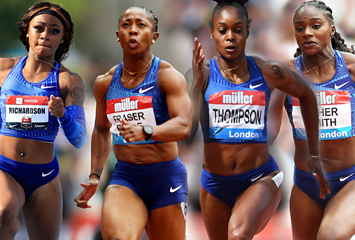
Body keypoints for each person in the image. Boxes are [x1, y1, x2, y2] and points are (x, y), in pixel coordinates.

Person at [186, 0, 328, 239]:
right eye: (222, 30)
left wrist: (312, 152)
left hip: (259, 178)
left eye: (238, 30)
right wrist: (197, 86)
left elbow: (307, 95)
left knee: (238, 234)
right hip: (214, 185)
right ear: (211, 32)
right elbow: (187, 136)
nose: (230, 37)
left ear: (248, 31)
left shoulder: (270, 72)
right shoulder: (201, 75)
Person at [74, 6, 191, 240]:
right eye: (126, 25)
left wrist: (147, 131)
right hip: (126, 176)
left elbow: (184, 125)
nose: (133, 31)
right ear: (118, 35)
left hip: (165, 176)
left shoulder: (167, 76)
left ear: (154, 36)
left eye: (141, 25)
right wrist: (95, 175)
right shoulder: (105, 83)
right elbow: (100, 128)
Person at [270, 1, 355, 239]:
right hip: (305, 186)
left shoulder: (353, 70)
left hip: (352, 180)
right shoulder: (285, 75)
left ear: (331, 29)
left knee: (330, 236)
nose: (307, 32)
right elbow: (269, 130)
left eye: (315, 25)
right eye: (299, 28)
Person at [0, 2, 86, 240]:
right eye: (39, 28)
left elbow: (79, 139)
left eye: (54, 31)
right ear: (27, 30)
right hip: (5, 168)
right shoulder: (3, 70)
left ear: (63, 38)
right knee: (3, 213)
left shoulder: (68, 81)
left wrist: (62, 114)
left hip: (44, 177)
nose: (45, 35)